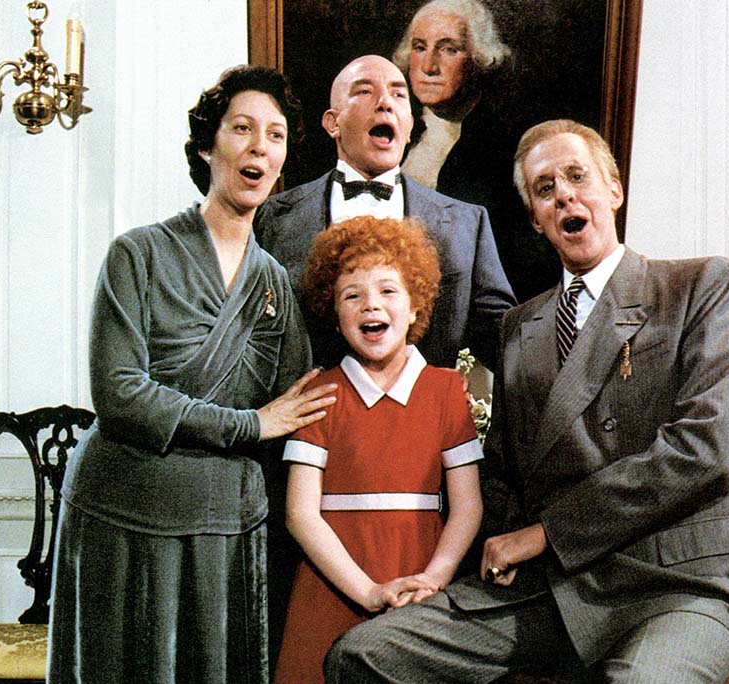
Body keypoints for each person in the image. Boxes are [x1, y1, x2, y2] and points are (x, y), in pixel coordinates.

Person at [324, 119, 729, 683]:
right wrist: (438, 572)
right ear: (536, 219)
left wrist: (545, 534)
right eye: (544, 188)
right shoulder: (519, 327)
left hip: (681, 585)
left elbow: (704, 451)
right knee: (364, 656)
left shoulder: (699, 286)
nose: (564, 194)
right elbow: (504, 477)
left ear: (613, 189)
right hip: (556, 589)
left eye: (577, 176)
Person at [47, 65, 337, 684]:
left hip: (224, 528)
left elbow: (293, 411)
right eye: (242, 128)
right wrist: (248, 424)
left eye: (276, 135)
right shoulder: (138, 252)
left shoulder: (279, 287)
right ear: (208, 146)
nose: (261, 145)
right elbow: (119, 393)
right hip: (121, 514)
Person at [273, 215, 484, 683]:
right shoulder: (320, 394)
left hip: (422, 583)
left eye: (388, 290)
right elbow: (300, 515)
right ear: (334, 311)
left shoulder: (447, 390)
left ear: (415, 307)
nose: (372, 304)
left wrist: (434, 580)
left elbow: (467, 507)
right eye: (353, 294)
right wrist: (367, 591)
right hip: (331, 584)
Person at [254, 54, 515, 371]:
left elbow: (508, 345)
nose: (385, 103)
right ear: (332, 123)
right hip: (310, 417)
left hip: (424, 416)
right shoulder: (269, 218)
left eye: (398, 94)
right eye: (365, 91)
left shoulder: (466, 225)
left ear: (408, 127)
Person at [392, 0, 560, 303]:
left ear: (480, 58)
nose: (429, 66)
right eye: (420, 47)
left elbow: (524, 267)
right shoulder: (395, 135)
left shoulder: (506, 148)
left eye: (448, 49)